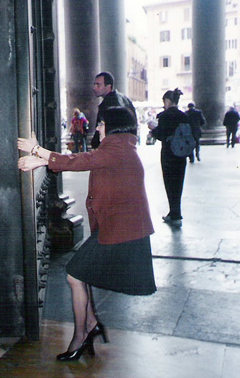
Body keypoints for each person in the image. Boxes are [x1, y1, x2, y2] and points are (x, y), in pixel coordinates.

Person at [18, 107, 156, 362]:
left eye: (102, 124)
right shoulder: (122, 148)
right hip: (117, 227)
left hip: (122, 230)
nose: (98, 128)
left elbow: (81, 161)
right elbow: (86, 158)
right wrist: (44, 160)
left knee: (74, 274)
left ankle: (81, 336)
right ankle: (90, 326)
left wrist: (38, 151)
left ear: (113, 127)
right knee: (81, 273)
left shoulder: (117, 149)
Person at [148, 88, 189, 228]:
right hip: (181, 154)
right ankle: (175, 212)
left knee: (169, 183)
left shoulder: (164, 116)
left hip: (168, 154)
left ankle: (174, 213)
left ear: (168, 101)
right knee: (178, 183)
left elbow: (161, 134)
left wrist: (153, 129)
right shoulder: (184, 115)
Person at [91, 71, 137, 148]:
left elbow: (109, 130)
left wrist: (96, 144)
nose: (94, 88)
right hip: (127, 146)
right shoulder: (125, 99)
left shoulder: (109, 105)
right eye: (94, 84)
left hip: (112, 148)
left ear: (108, 86)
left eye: (98, 85)